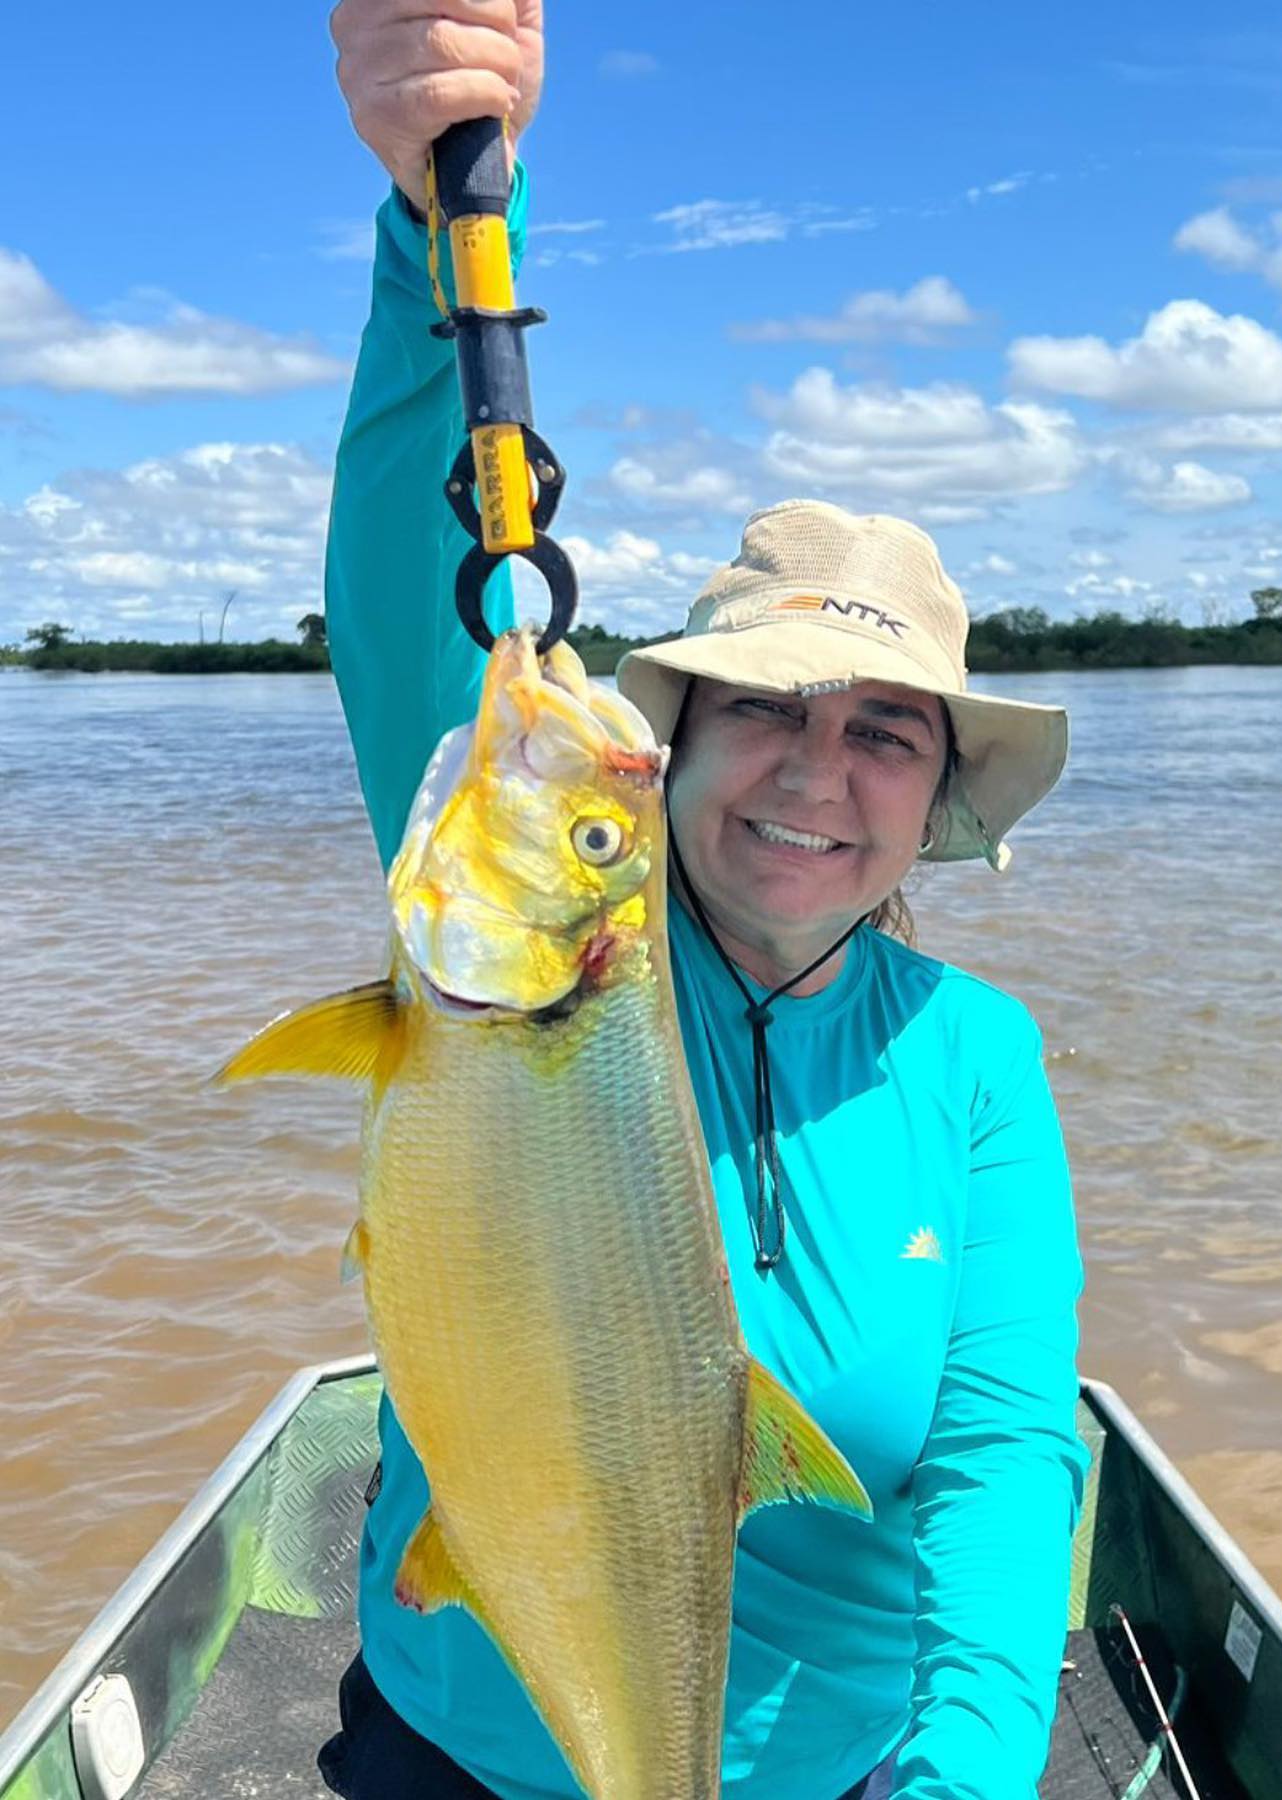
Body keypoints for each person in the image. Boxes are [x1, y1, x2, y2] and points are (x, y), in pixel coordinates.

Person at [319, 4, 1088, 1798]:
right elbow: (395, 603)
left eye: (886, 732)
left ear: (940, 795)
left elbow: (994, 1461)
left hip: (842, 1767)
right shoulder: (548, 953)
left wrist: (964, 1771)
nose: (819, 774)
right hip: (455, 1738)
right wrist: (426, 224)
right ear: (676, 745)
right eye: (762, 709)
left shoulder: (979, 1060)